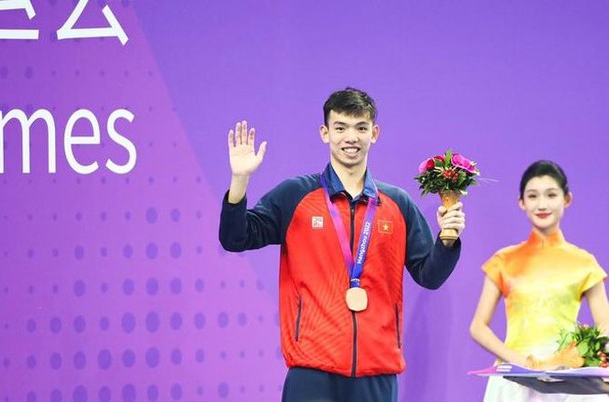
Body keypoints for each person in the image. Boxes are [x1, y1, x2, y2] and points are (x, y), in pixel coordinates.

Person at [219, 87, 465, 402]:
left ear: (374, 133)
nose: (351, 137)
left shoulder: (397, 204)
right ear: (325, 133)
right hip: (311, 371)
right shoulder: (296, 195)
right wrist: (239, 181)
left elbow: (429, 276)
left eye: (361, 128)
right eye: (340, 128)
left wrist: (447, 240)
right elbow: (235, 238)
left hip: (376, 370)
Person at [470, 160, 609, 401]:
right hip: (515, 379)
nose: (542, 204)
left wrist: (596, 358)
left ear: (567, 199)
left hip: (569, 382)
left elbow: (605, 325)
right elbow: (478, 327)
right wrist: (522, 362)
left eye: (551, 195)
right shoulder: (504, 260)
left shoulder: (584, 262)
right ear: (521, 203)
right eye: (533, 196)